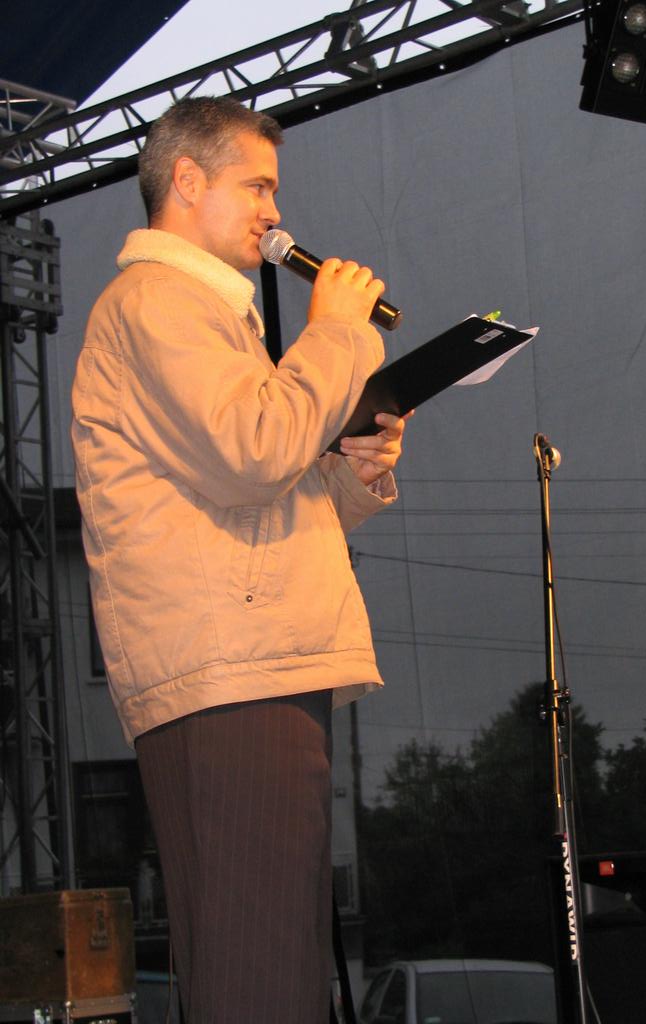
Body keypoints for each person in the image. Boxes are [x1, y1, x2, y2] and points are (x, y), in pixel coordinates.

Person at [71, 96, 410, 1024]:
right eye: (257, 186)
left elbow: (263, 481)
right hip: (231, 668)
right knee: (262, 976)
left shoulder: (205, 317)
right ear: (187, 180)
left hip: (244, 662)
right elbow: (254, 450)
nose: (274, 211)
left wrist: (353, 469)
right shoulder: (157, 301)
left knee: (260, 969)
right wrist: (339, 332)